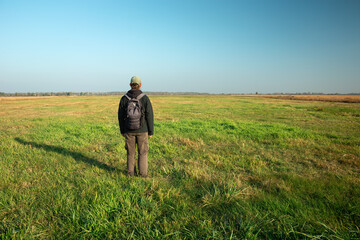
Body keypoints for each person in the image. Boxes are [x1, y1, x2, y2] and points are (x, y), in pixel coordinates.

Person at [118, 76, 154, 177]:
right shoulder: (145, 98)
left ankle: (131, 174)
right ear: (140, 85)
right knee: (142, 153)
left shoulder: (124, 98)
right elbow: (149, 115)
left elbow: (120, 116)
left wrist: (122, 130)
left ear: (130, 85)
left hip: (128, 130)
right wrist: (150, 131)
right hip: (143, 130)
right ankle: (143, 175)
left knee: (130, 153)